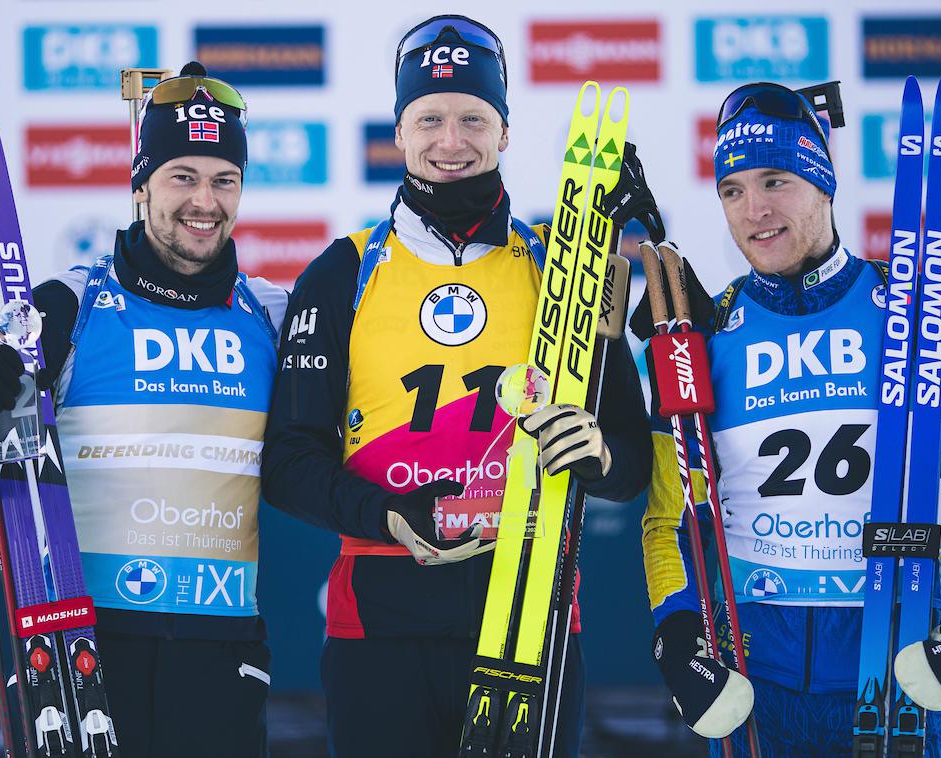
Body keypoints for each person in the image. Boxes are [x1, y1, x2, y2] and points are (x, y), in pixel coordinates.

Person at [261, 15, 652, 758]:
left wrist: (596, 454)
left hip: (528, 615)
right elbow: (287, 463)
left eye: (474, 117)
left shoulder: (562, 272)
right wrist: (386, 513)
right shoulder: (340, 273)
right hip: (377, 623)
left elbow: (630, 462)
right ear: (399, 132)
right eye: (430, 118)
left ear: (503, 131)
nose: (451, 140)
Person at [0, 62, 286, 757]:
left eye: (224, 179)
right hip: (86, 651)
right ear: (141, 184)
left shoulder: (270, 315)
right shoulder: (68, 307)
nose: (205, 200)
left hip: (222, 653)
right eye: (182, 177)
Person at [635, 81, 941, 755]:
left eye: (775, 180)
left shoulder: (923, 317)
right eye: (732, 190)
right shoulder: (703, 337)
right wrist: (676, 640)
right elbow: (669, 519)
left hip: (894, 684)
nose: (754, 210)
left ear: (823, 181)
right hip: (758, 695)